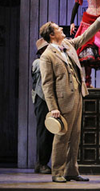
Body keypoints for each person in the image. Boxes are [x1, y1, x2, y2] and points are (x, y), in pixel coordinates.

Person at [40, 7, 100, 183]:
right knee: (62, 136)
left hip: (77, 95)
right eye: (58, 28)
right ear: (51, 35)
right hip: (62, 100)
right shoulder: (47, 55)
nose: (61, 30)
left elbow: (86, 35)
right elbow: (47, 85)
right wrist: (53, 109)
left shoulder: (68, 45)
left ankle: (71, 170)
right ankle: (58, 172)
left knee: (75, 136)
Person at [32, 38, 53, 174]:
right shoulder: (38, 62)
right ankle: (42, 163)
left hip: (48, 99)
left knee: (50, 132)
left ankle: (43, 162)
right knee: (44, 132)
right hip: (42, 99)